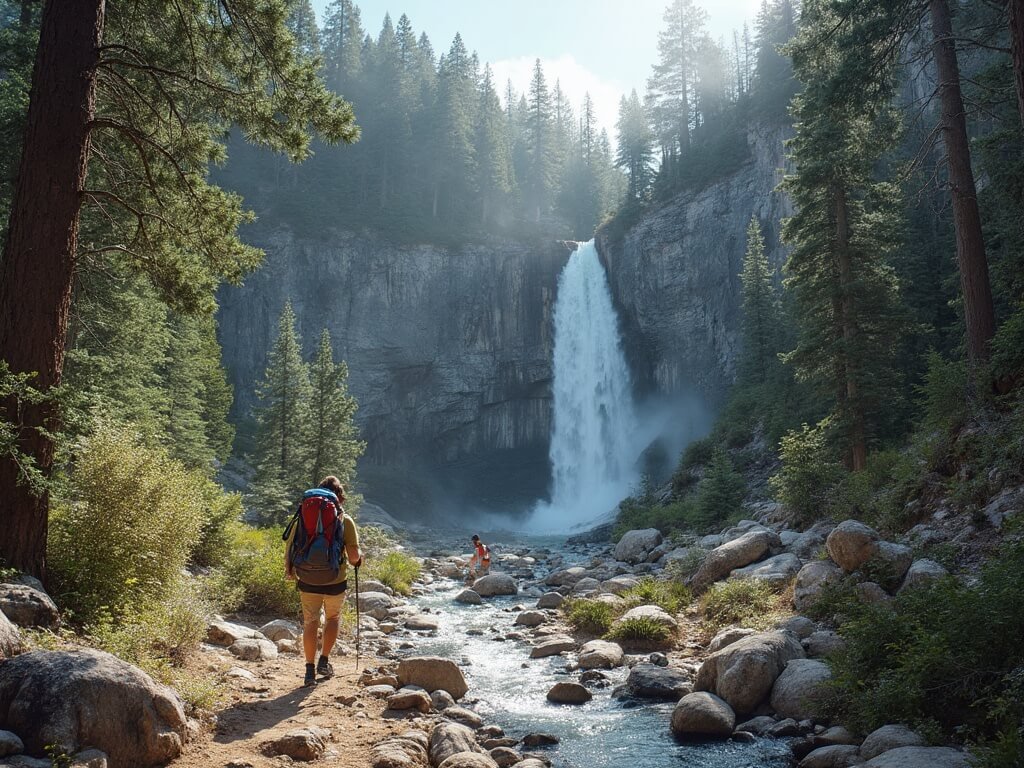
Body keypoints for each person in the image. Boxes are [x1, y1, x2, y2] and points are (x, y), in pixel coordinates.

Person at [284, 475, 362, 687]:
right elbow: (354, 558)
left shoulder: (302, 517)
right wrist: (359, 558)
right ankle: (324, 662)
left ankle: (309, 671)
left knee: (310, 621)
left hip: (307, 578)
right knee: (333, 618)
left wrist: (288, 570)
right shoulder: (345, 520)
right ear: (339, 497)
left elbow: (290, 546)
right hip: (335, 580)